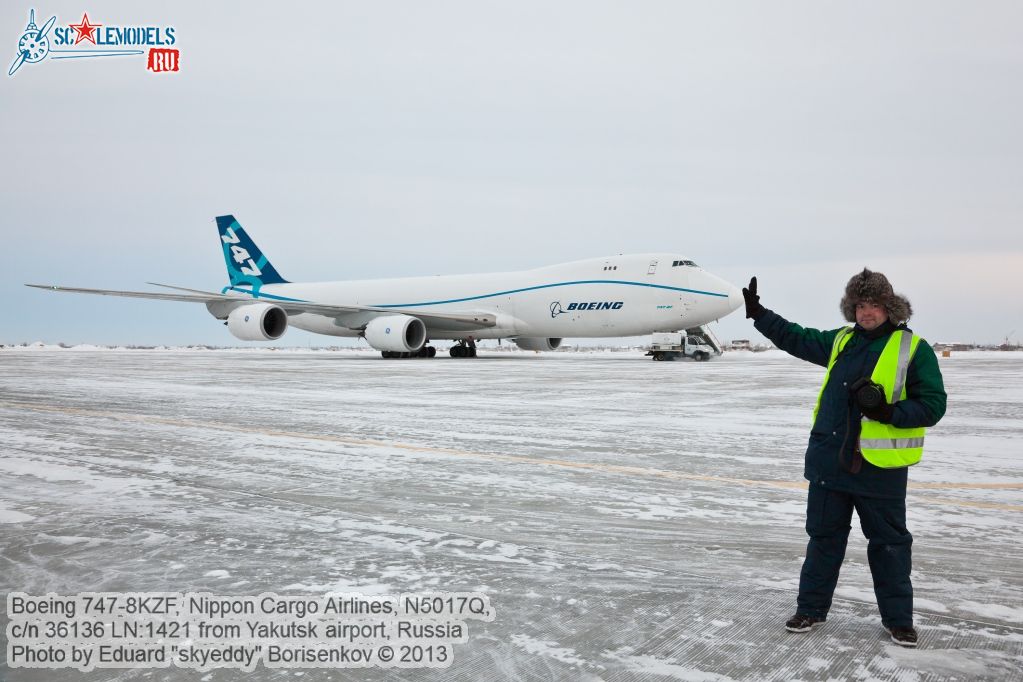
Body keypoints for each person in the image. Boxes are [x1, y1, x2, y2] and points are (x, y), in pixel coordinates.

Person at [742, 269, 946, 648]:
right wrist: (760, 314)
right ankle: (811, 609)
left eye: (874, 305)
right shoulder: (841, 341)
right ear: (852, 308)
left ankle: (899, 620)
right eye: (860, 305)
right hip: (830, 463)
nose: (866, 313)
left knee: (889, 545)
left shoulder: (913, 349)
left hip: (879, 471)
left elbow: (934, 405)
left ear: (889, 307)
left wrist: (890, 413)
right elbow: (797, 338)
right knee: (823, 540)